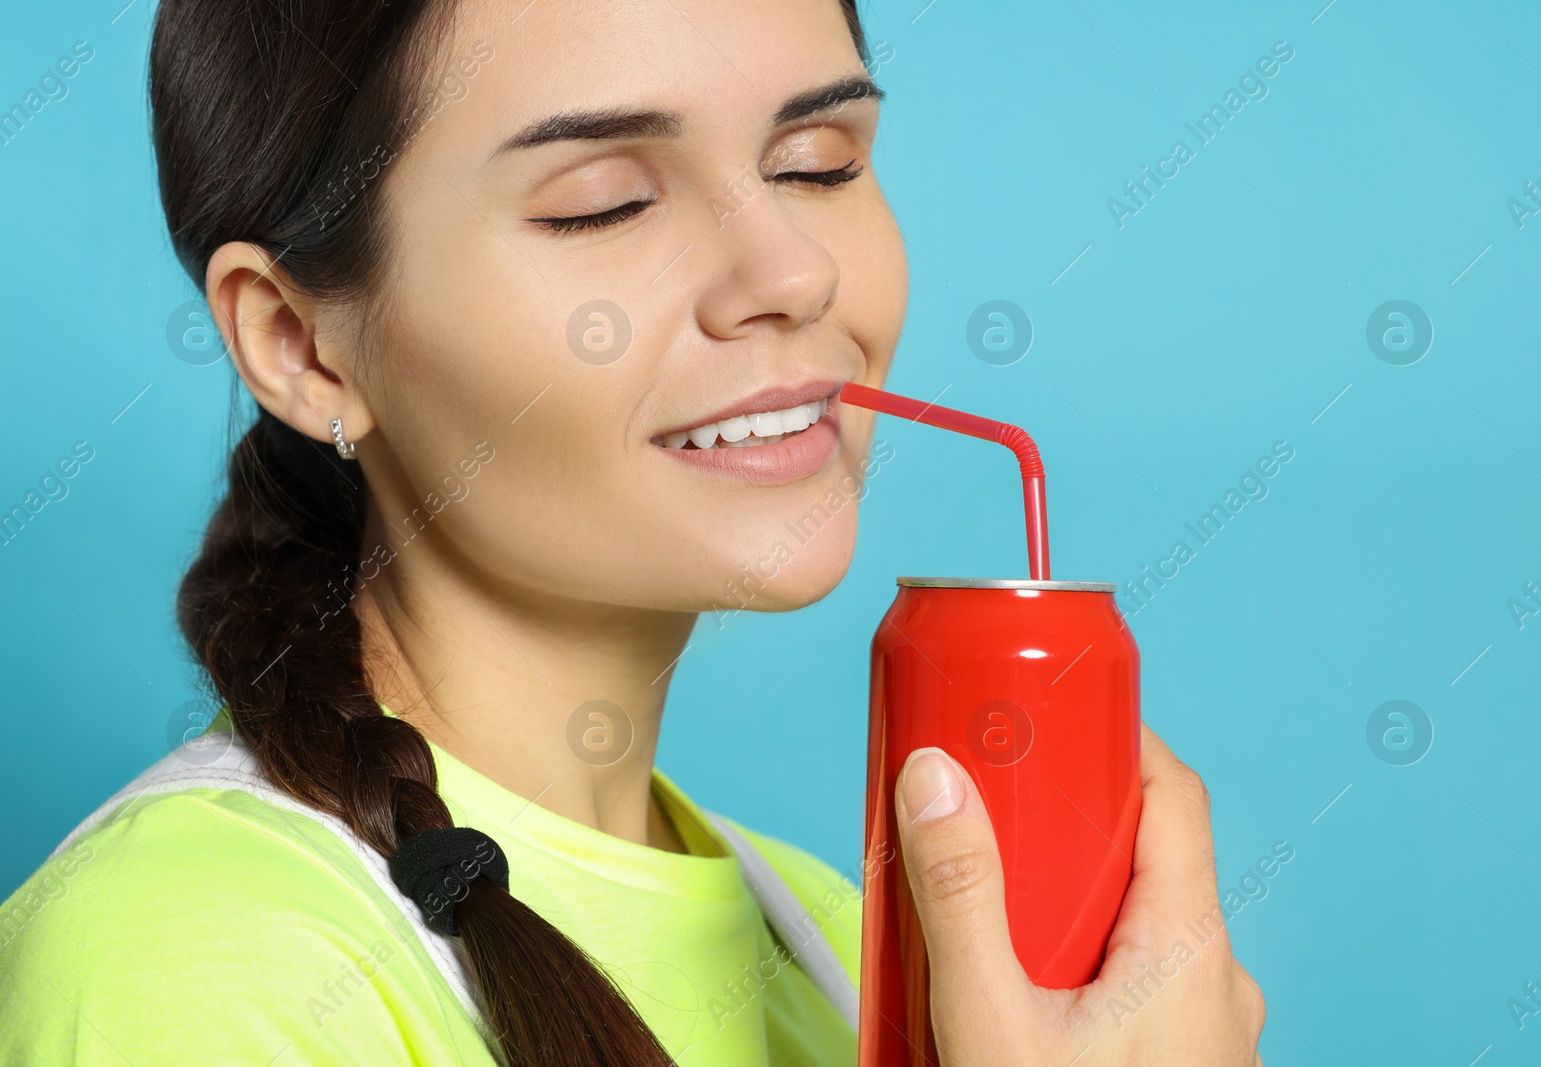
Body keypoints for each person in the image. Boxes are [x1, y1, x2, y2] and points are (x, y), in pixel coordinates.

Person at [0, 0, 1265, 1063]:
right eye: (604, 202)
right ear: (299, 343)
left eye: (817, 161)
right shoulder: (197, 962)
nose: (791, 274)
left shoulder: (844, 945)